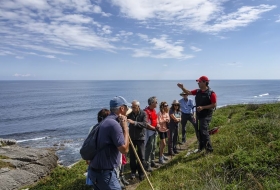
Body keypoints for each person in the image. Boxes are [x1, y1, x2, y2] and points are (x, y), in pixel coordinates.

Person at [88, 96, 130, 190]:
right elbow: (124, 149)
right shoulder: (114, 124)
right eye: (126, 108)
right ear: (122, 108)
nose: (127, 111)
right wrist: (125, 128)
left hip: (95, 171)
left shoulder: (105, 121)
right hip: (105, 174)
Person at [177, 76, 217, 153]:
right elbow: (188, 92)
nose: (198, 83)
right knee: (199, 131)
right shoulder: (198, 91)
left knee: (204, 131)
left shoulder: (211, 93)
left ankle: (209, 149)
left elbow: (214, 104)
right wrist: (182, 87)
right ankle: (201, 147)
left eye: (199, 82)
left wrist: (203, 107)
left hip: (206, 115)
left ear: (205, 82)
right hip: (199, 114)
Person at [86, 109, 110, 186]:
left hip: (93, 157)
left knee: (96, 179)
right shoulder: (107, 128)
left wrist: (87, 158)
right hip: (104, 159)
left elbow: (88, 143)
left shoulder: (92, 128)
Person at [127, 100, 147, 181]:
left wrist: (134, 123)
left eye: (134, 107)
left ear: (138, 107)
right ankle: (133, 171)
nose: (133, 108)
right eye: (132, 107)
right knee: (132, 156)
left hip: (140, 138)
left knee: (141, 156)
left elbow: (144, 124)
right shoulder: (130, 113)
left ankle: (141, 172)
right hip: (132, 138)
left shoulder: (143, 113)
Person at [144, 96, 160, 172]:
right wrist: (154, 128)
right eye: (156, 102)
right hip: (149, 133)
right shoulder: (146, 111)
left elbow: (155, 119)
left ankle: (152, 161)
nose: (157, 103)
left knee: (154, 147)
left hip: (154, 131)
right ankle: (147, 164)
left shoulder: (153, 110)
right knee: (149, 148)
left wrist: (158, 125)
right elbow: (146, 124)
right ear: (151, 103)